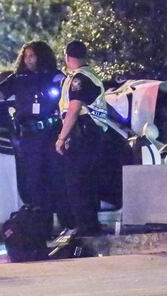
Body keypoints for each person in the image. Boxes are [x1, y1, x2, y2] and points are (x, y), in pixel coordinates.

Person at [0, 41, 71, 230]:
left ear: (41, 56)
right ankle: (40, 228)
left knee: (58, 179)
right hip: (29, 136)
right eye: (26, 56)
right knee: (34, 183)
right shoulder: (18, 78)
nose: (28, 60)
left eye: (32, 55)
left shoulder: (55, 76)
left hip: (52, 133)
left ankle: (67, 225)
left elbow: (70, 101)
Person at [55, 40, 109, 237]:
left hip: (83, 132)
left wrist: (62, 137)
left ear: (67, 57)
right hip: (91, 133)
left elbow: (74, 109)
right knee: (87, 180)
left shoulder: (79, 78)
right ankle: (90, 225)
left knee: (77, 181)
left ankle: (85, 227)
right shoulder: (89, 75)